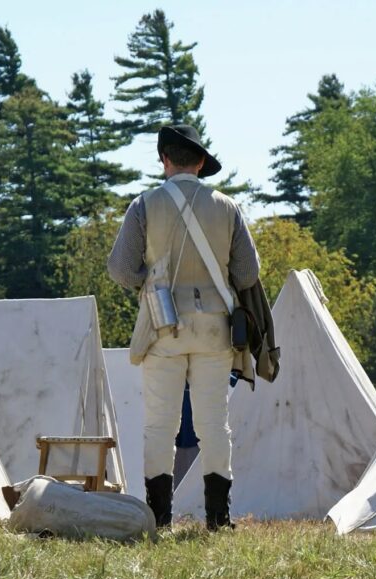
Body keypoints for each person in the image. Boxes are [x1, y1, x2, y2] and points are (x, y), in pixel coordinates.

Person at [108, 124, 260, 530]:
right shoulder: (227, 206)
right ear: (200, 164)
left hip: (163, 326)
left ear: (164, 160)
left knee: (160, 424)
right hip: (215, 327)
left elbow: (121, 269)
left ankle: (159, 520)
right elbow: (248, 273)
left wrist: (152, 280)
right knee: (214, 422)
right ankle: (217, 518)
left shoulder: (144, 204)